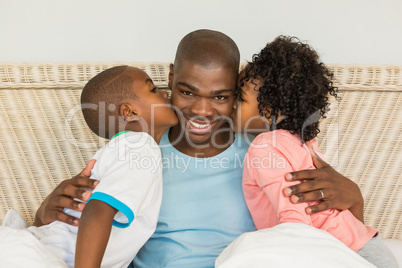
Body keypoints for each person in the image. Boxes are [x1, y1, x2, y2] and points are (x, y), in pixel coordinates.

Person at [34, 30, 365, 268]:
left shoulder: (267, 152)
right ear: (171, 78)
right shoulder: (138, 153)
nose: (202, 111)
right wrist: (45, 213)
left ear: (238, 94)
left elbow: (332, 238)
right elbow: (87, 223)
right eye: (188, 92)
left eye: (220, 96)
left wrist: (354, 195)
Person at [232, 35, 398, 267]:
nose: (229, 104)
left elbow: (294, 223)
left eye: (239, 98)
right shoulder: (304, 141)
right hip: (365, 245)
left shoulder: (264, 147)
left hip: (343, 253)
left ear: (272, 109)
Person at [1, 66, 178, 267]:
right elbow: (99, 208)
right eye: (153, 89)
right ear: (129, 112)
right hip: (36, 256)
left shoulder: (122, 150)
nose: (165, 93)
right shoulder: (140, 147)